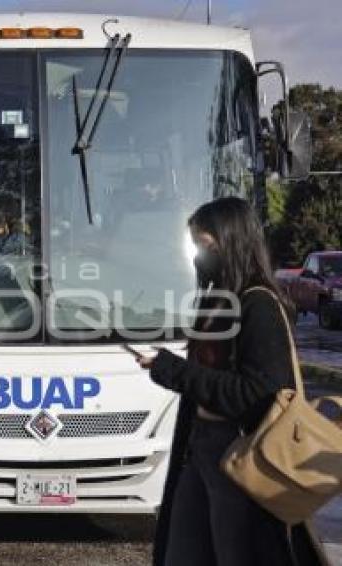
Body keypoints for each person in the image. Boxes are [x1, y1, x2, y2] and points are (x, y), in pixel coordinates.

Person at [133, 197, 299, 566]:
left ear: (232, 242)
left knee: (236, 554)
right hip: (202, 448)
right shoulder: (220, 301)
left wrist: (171, 369)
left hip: (240, 455)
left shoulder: (259, 306)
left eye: (204, 245)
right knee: (184, 553)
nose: (197, 256)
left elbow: (257, 393)